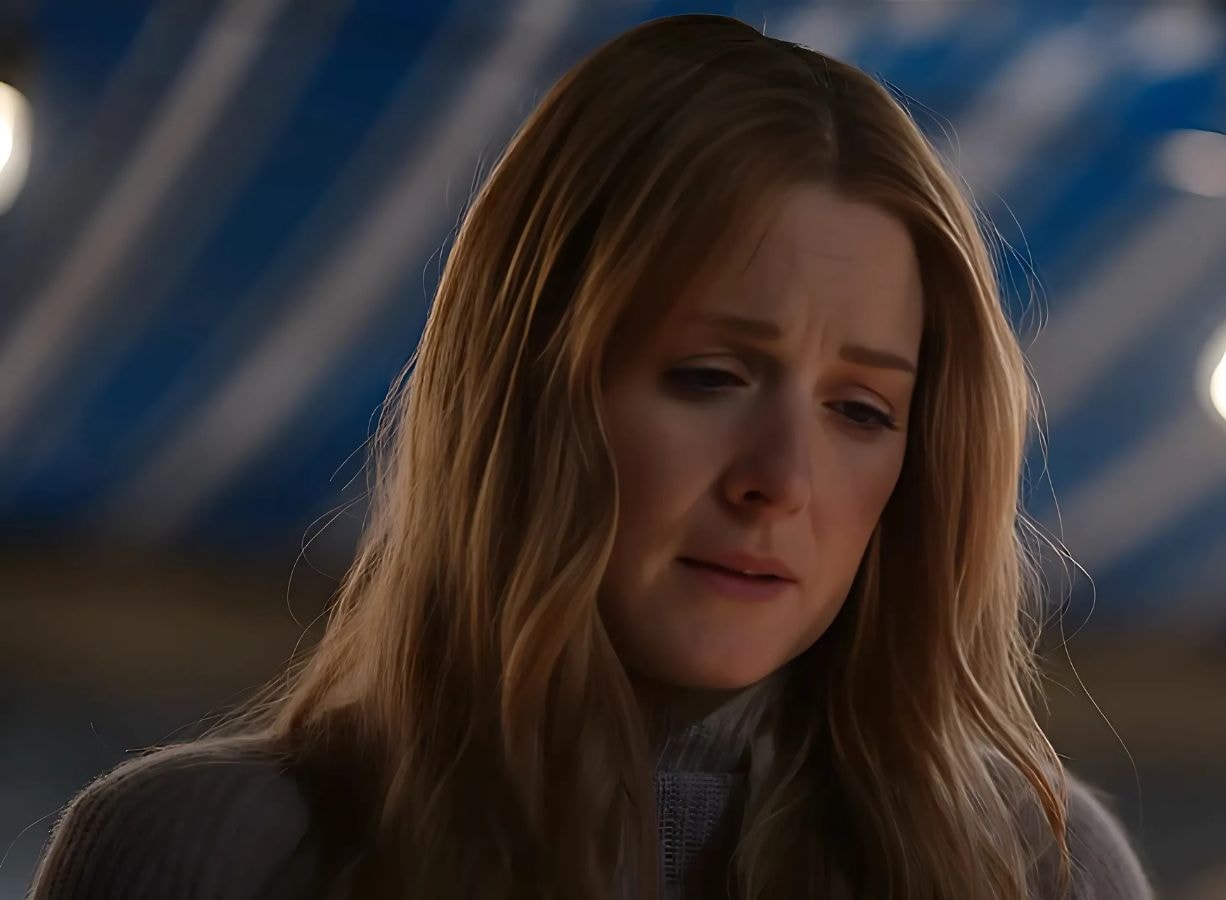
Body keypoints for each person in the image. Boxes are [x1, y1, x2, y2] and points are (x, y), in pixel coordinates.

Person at [28, 13, 1153, 900]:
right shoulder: (206, 857)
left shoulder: (1035, 867)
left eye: (860, 409)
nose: (782, 480)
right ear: (524, 394)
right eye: (709, 378)